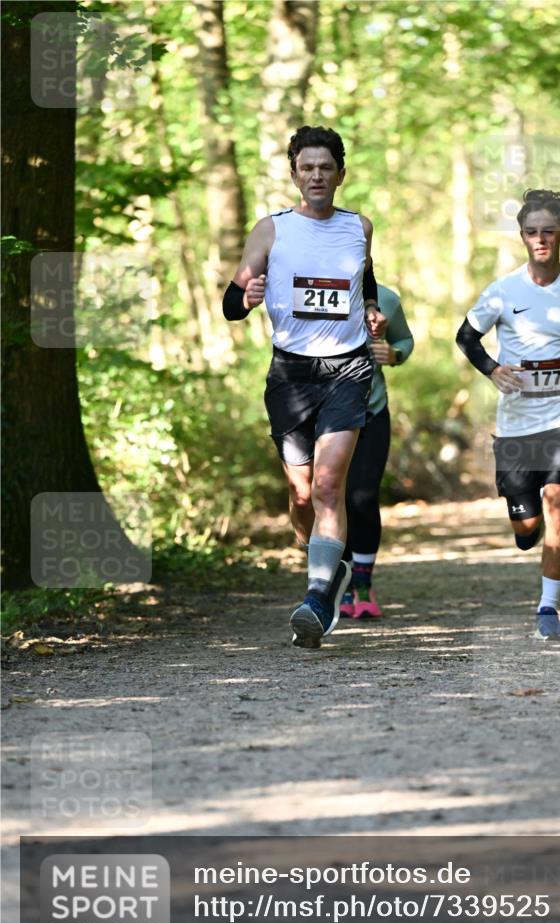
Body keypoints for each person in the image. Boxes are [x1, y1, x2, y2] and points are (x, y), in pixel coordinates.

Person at [222, 125, 386, 648]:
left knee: (327, 486)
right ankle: (321, 567)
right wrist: (244, 295)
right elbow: (231, 301)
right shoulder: (270, 230)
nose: (316, 175)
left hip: (348, 369)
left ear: (341, 173)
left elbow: (366, 283)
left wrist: (372, 312)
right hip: (291, 374)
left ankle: (318, 596)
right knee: (300, 493)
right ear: (294, 174)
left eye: (325, 167)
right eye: (306, 167)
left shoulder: (358, 227)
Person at [456, 189, 560, 639]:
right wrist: (493, 371)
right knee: (527, 526)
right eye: (532, 232)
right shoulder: (503, 291)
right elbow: (466, 338)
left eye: (549, 231)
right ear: (522, 237)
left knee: (558, 502)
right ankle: (529, 534)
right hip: (515, 423)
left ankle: (548, 607)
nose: (541, 239)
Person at [339, 284, 414, 619]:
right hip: (320, 414)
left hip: (372, 410)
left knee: (363, 497)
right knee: (331, 498)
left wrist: (394, 354)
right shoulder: (307, 281)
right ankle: (336, 584)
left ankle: (363, 585)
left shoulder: (386, 299)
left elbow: (404, 340)